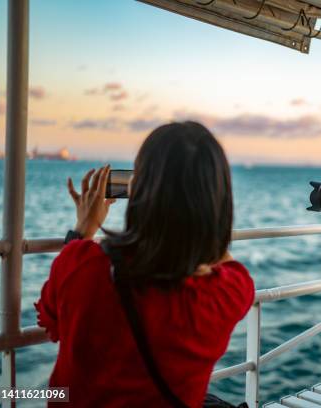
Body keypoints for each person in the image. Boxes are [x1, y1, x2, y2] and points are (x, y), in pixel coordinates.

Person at [35, 122, 255, 407]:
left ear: (139, 188)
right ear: (219, 201)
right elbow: (224, 259)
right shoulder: (229, 293)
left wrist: (84, 229)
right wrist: (204, 218)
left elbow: (52, 323)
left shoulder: (81, 263)